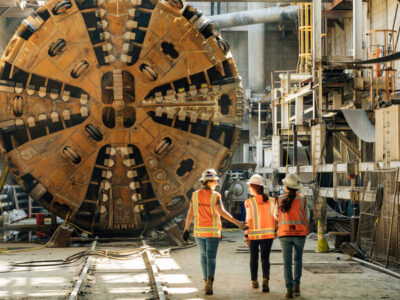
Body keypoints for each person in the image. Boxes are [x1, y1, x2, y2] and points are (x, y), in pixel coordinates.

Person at [183, 169, 247, 295]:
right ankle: (210, 282)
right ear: (210, 181)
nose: (217, 183)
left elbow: (190, 213)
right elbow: (222, 213)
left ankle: (205, 281)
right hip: (212, 232)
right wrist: (238, 223)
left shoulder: (195, 195)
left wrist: (186, 229)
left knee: (203, 256)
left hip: (199, 232)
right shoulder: (215, 196)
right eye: (216, 181)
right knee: (211, 257)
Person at [274, 173, 310, 298]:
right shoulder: (303, 199)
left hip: (284, 234)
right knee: (298, 260)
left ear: (286, 186)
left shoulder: (279, 199)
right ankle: (297, 287)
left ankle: (289, 289)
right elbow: (308, 216)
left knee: (287, 262)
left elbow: (275, 216)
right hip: (300, 233)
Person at [244, 174, 276, 293]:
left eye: (249, 186)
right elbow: (275, 217)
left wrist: (246, 235)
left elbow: (249, 219)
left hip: (253, 235)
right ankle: (265, 280)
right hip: (268, 235)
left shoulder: (249, 202)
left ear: (254, 187)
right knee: (265, 259)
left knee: (254, 258)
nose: (248, 189)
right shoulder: (272, 201)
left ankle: (254, 282)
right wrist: (274, 230)